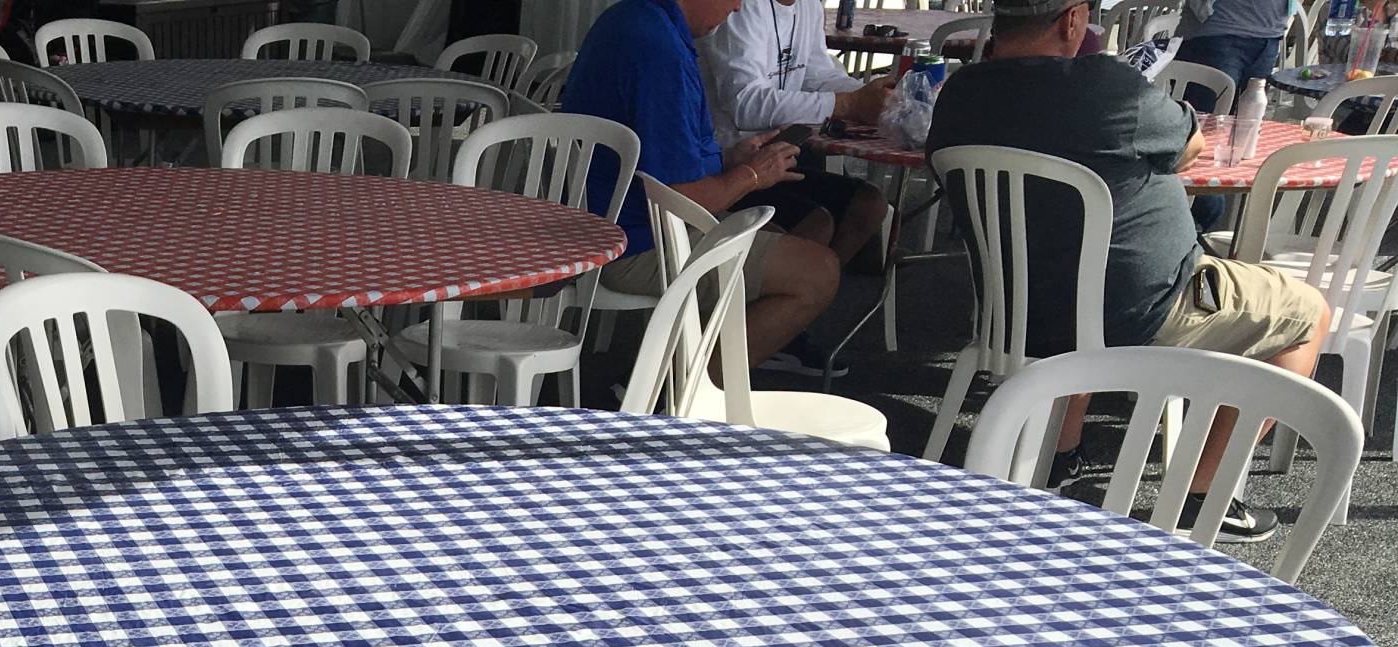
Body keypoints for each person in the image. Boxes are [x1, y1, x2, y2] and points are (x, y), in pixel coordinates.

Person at [928, 0, 1329, 539]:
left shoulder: (959, 93)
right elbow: (1191, 146)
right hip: (1141, 311)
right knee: (1307, 312)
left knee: (1084, 268)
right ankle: (1203, 497)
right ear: (1072, 21)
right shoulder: (1107, 87)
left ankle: (1059, 457)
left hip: (1016, 306)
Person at [562, 0, 849, 373]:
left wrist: (732, 160)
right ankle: (681, 396)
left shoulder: (635, 16)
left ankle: (688, 366)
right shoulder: (660, 52)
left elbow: (663, 158)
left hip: (602, 216)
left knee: (794, 234)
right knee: (818, 272)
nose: (738, 6)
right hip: (629, 239)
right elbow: (684, 199)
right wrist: (753, 175)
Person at [699, 0, 894, 269]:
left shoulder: (807, 4)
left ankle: (811, 297)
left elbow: (816, 74)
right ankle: (797, 293)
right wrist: (849, 104)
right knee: (817, 223)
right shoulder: (738, 7)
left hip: (781, 152)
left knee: (869, 205)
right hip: (728, 158)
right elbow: (745, 104)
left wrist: (872, 97)